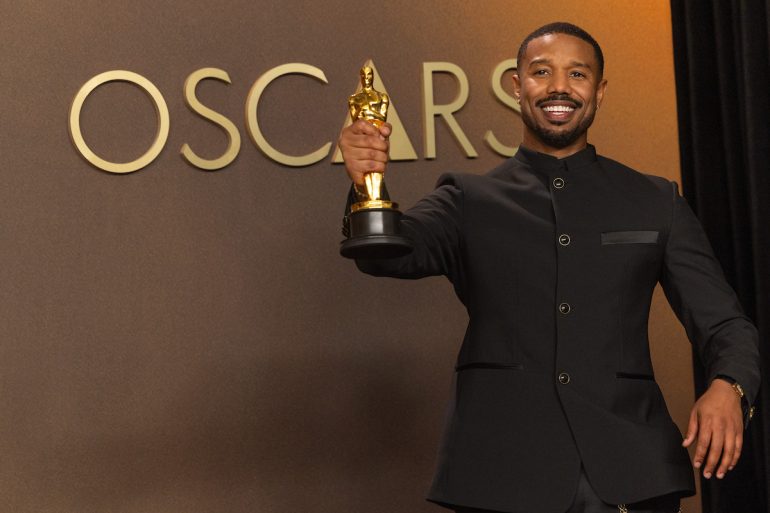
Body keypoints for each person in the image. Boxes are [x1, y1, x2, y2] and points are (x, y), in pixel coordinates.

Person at [337, 22, 760, 513]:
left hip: (632, 472)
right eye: (542, 72)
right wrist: (367, 183)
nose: (559, 86)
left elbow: (727, 325)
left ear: (599, 91)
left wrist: (729, 387)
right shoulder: (467, 199)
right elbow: (386, 254)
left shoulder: (655, 200)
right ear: (516, 86)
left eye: (577, 74)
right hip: (501, 474)